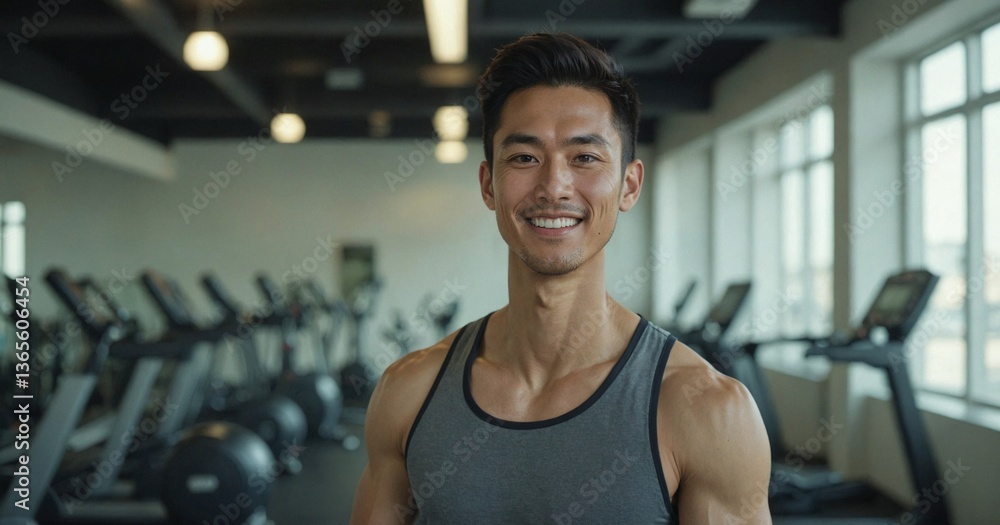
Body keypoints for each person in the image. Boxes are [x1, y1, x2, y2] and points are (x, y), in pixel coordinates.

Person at [349, 32, 771, 524]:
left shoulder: (707, 410)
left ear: (629, 185)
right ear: (489, 184)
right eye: (524, 158)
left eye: (585, 158)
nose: (554, 186)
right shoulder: (409, 390)